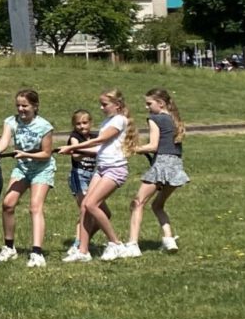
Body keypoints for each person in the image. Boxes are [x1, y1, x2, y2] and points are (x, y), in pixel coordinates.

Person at [57, 89, 141, 261]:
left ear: (117, 105)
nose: (101, 108)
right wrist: (76, 151)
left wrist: (73, 147)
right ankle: (83, 251)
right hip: (102, 168)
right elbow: (99, 148)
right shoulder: (108, 121)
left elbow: (99, 140)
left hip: (115, 169)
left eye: (104, 104)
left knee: (91, 204)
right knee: (85, 207)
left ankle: (116, 243)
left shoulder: (119, 120)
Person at [0, 89, 57, 267]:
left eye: (25, 105)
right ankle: (9, 248)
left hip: (42, 169)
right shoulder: (11, 121)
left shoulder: (44, 126)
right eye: (18, 105)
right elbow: (4, 142)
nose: (21, 109)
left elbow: (46, 153)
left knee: (35, 207)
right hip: (22, 168)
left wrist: (25, 154)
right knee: (8, 204)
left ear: (35, 106)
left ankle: (37, 253)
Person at [129, 88, 190, 255]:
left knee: (137, 203)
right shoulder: (174, 119)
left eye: (149, 103)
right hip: (176, 166)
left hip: (162, 164)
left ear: (160, 103)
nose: (146, 107)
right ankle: (169, 240)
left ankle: (132, 244)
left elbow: (153, 146)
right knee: (157, 205)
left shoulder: (155, 119)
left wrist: (134, 149)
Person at [60, 110, 106, 263]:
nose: (81, 126)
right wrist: (94, 151)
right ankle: (78, 245)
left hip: (94, 176)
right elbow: (76, 154)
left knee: (105, 213)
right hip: (79, 176)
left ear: (90, 123)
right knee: (85, 210)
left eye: (85, 123)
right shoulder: (75, 137)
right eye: (78, 123)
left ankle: (83, 241)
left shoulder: (95, 137)